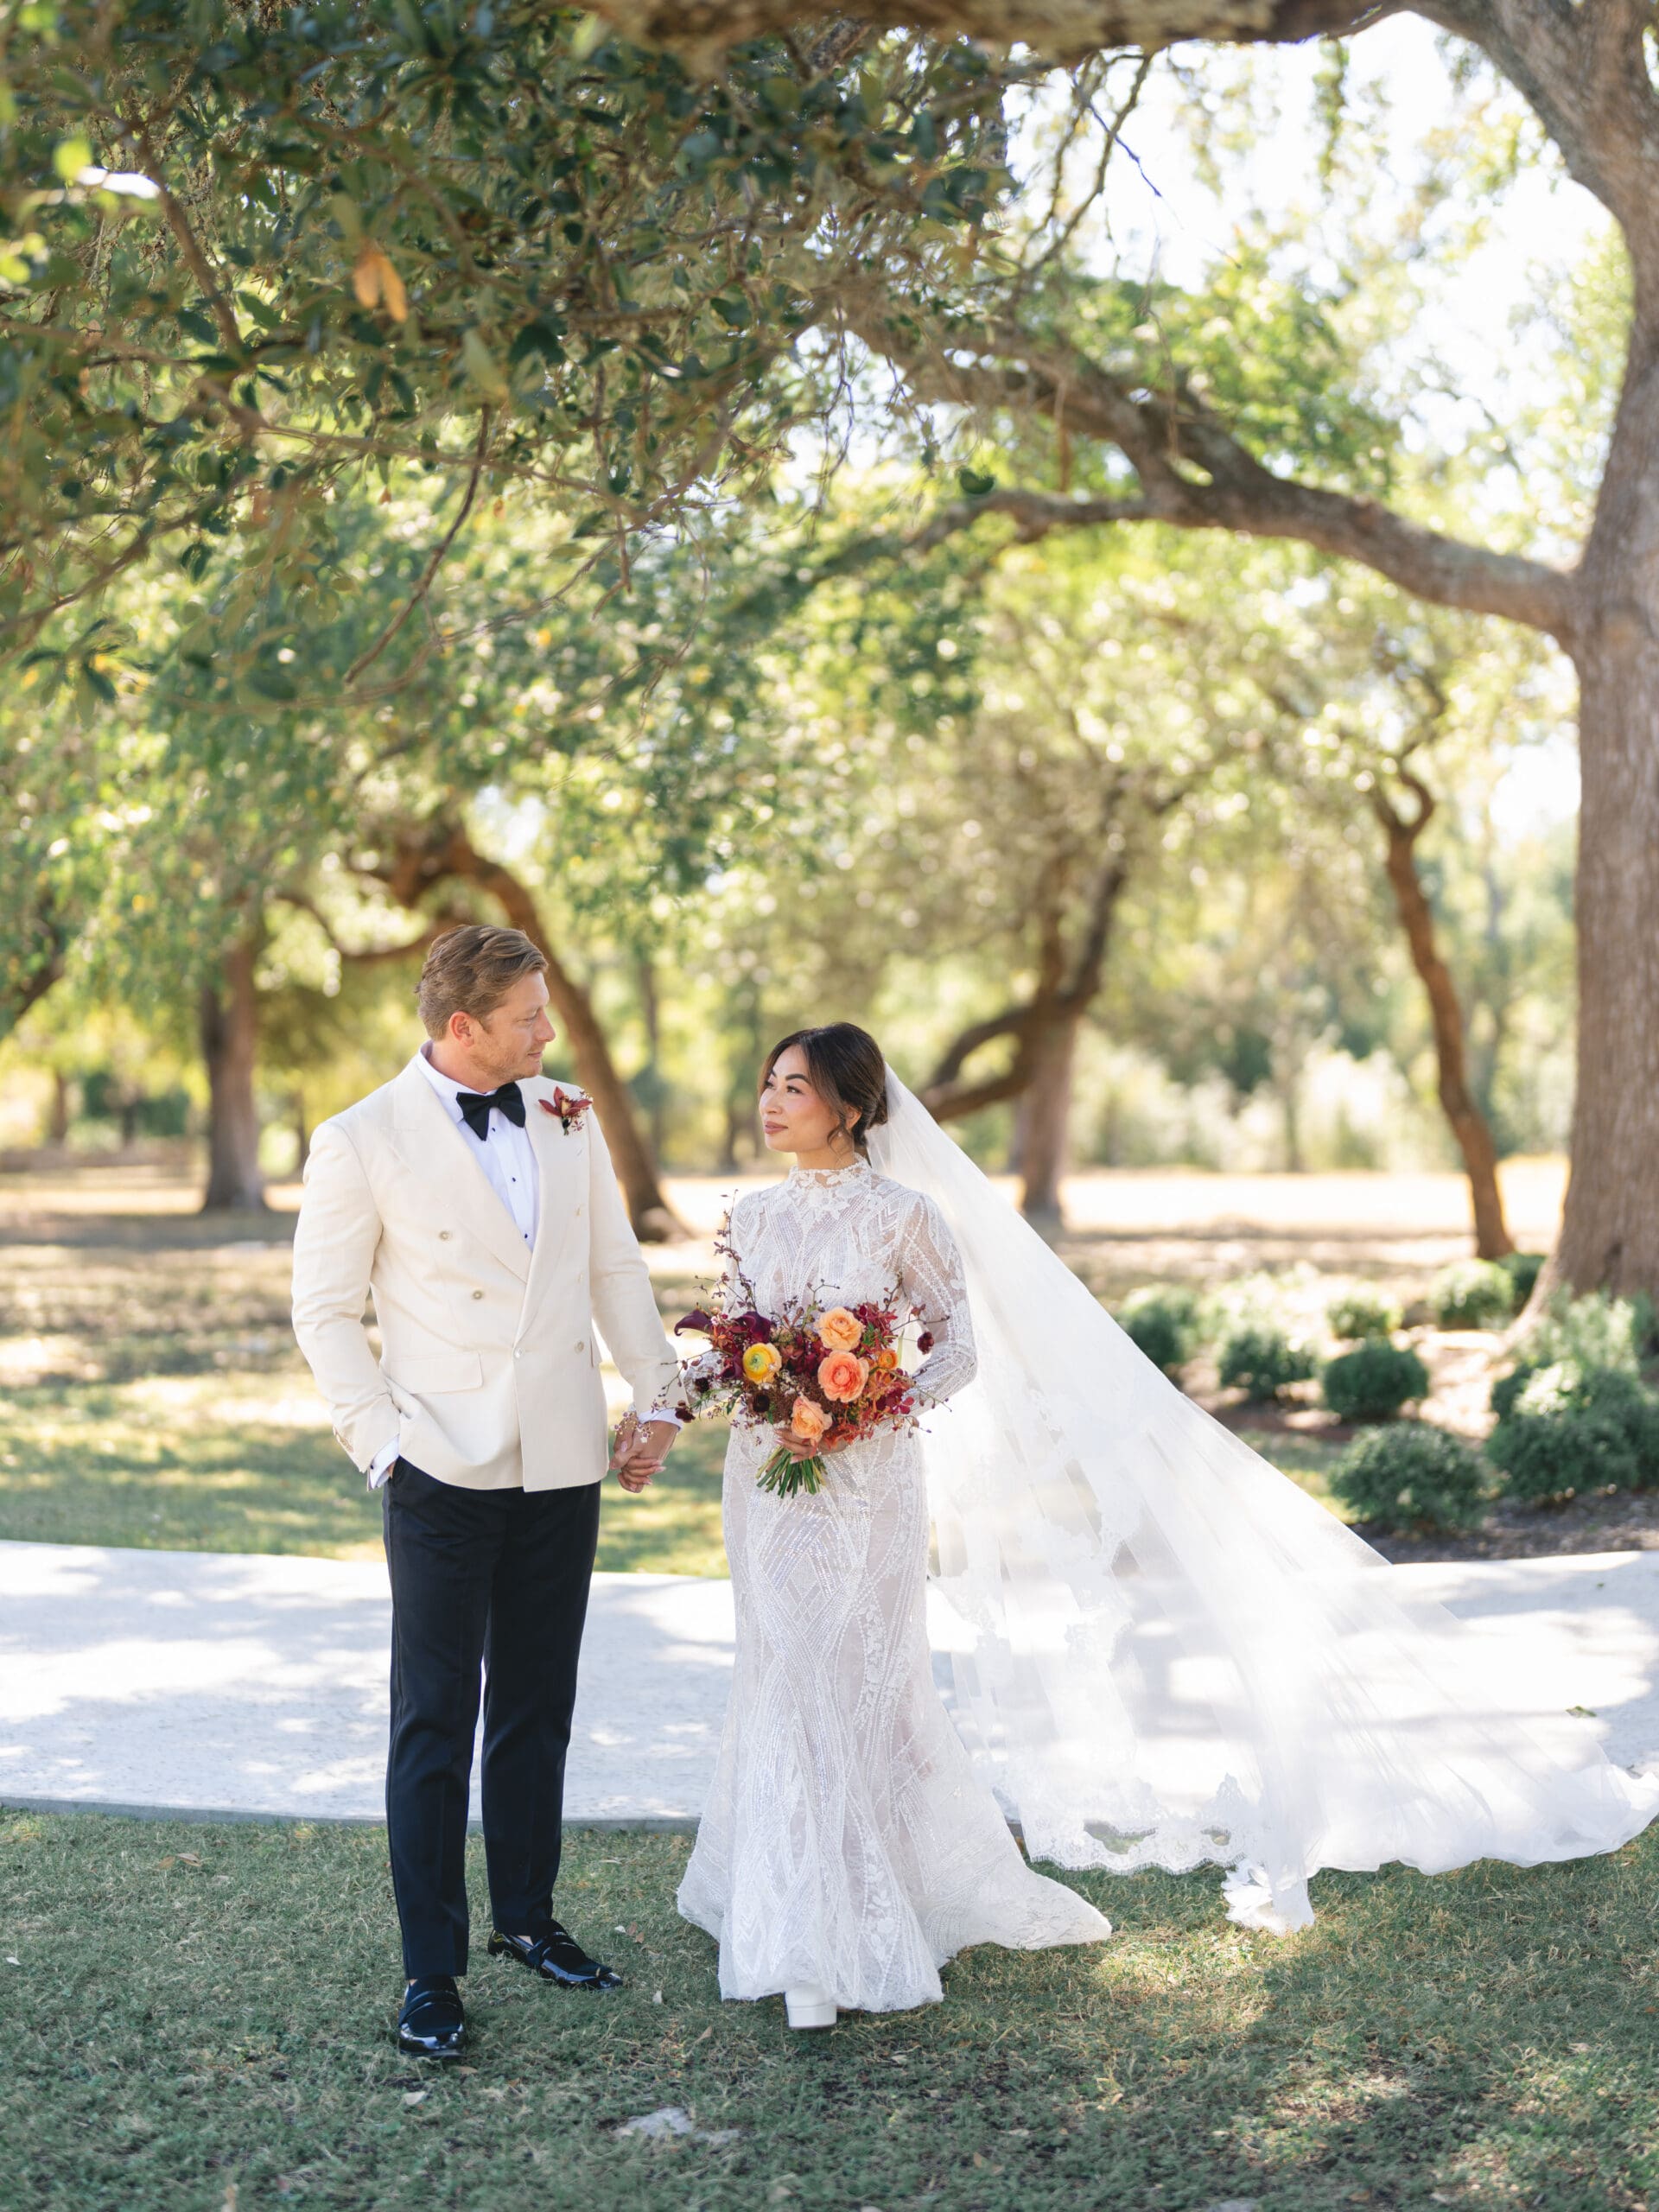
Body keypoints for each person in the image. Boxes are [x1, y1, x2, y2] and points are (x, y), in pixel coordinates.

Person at [291, 924, 679, 2060]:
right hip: (440, 1469)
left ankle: (528, 1920)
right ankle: (431, 1974)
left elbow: (615, 1266)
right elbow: (326, 1313)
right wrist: (381, 1445)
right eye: (528, 1018)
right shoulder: (360, 1139)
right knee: (432, 1723)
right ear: (463, 1028)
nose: (550, 1033)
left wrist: (656, 1397)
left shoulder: (567, 1114)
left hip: (562, 1457)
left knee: (536, 1708)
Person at [676, 1024, 1113, 2030]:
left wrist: (877, 1401)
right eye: (768, 1084)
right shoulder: (751, 1218)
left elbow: (957, 1342)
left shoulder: (907, 1214)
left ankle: (854, 1910)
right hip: (766, 1480)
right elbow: (728, 1340)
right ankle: (796, 1922)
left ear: (854, 1107)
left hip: (870, 1482)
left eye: (796, 1087)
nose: (772, 1102)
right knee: (784, 1668)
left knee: (852, 1673)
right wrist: (685, 1396)